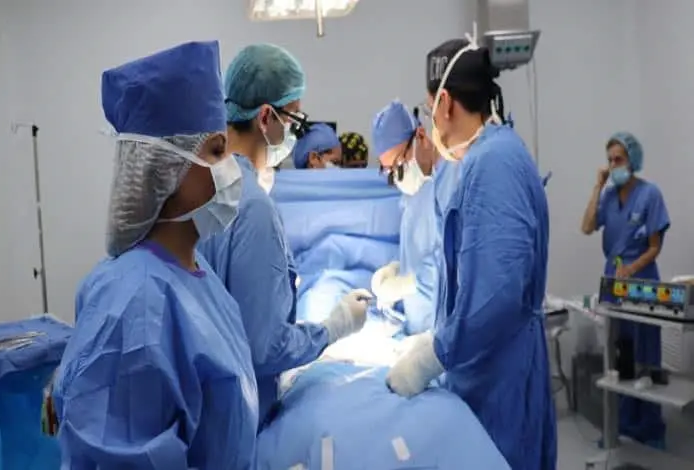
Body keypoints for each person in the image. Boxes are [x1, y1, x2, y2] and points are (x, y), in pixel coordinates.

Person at [52, 42, 259, 469]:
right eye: (216, 151)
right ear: (165, 167)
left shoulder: (197, 275)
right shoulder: (134, 303)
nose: (232, 166)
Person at [385, 38, 557, 470]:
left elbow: (494, 296)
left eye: (428, 109)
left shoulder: (493, 162)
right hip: (490, 365)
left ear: (444, 103)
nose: (431, 122)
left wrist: (432, 356)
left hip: (500, 378)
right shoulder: (488, 156)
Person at [197, 43, 371, 426]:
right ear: (266, 117)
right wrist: (333, 328)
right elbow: (265, 347)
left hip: (203, 407)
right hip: (237, 418)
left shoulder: (202, 187)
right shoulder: (252, 206)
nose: (294, 132)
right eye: (293, 120)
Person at [580, 131, 669, 448]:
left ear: (633, 160)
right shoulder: (607, 196)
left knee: (645, 355)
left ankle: (649, 428)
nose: (613, 165)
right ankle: (620, 424)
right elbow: (587, 227)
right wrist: (597, 186)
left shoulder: (650, 195)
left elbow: (655, 246)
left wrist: (631, 270)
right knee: (618, 355)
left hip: (641, 279)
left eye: (618, 159)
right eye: (610, 160)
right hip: (613, 281)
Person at [370, 100, 453, 334]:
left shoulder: (451, 181)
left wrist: (409, 283)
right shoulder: (412, 197)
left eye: (398, 164)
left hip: (445, 331)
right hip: (419, 329)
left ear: (420, 137)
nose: (398, 176)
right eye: (389, 171)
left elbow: (454, 258)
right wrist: (397, 268)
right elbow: (419, 252)